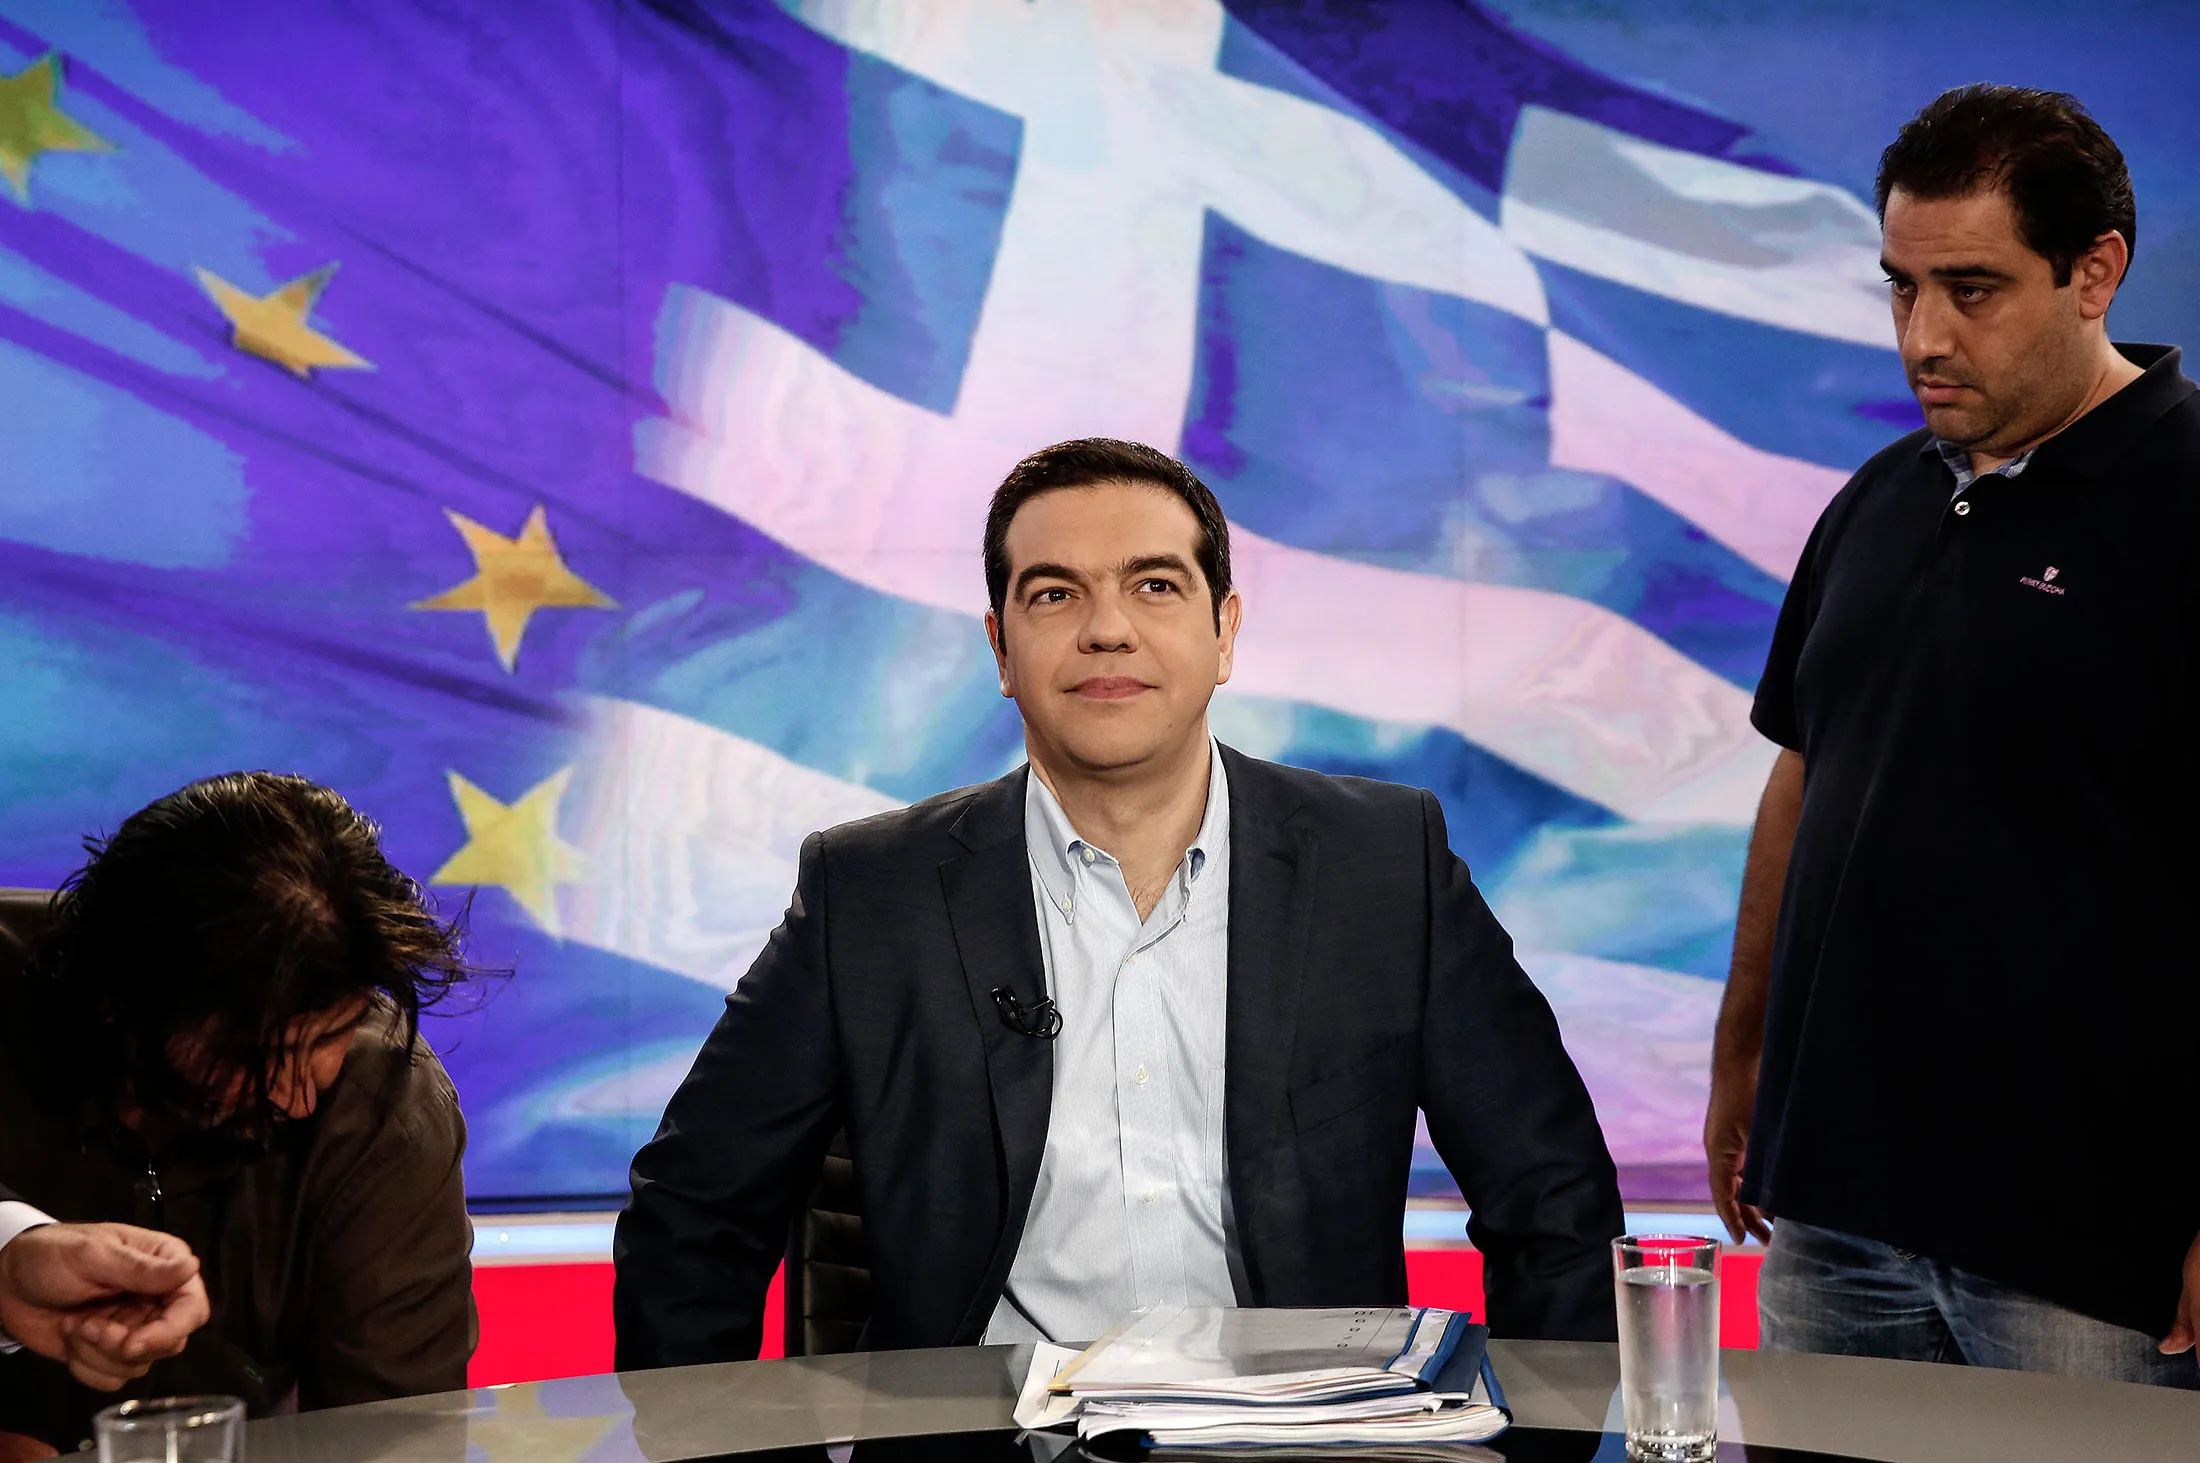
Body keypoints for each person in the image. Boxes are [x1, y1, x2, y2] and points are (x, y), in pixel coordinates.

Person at [615, 438, 1623, 1365]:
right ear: (1001, 649)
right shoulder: (868, 893)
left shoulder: (1383, 864)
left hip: (1306, 1441)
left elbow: (1555, 1204)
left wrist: (1542, 1442)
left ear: (1222, 630)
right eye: (1054, 594)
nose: (1107, 629)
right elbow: (694, 1216)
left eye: (1154, 584)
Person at [1705, 84, 2200, 1386]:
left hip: (2088, 1244)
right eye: (1900, 286)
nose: (1922, 335)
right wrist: (1744, 1049)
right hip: (1831, 1213)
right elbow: (1803, 770)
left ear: (2096, 272)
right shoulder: (1876, 498)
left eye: (1971, 288)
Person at [0, 772, 491, 1449]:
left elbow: (400, 1437)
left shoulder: (385, 1107)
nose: (298, 1096)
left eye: (330, 1034)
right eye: (253, 1052)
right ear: (122, 1000)